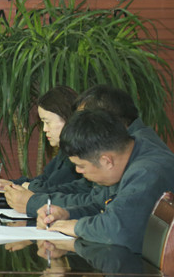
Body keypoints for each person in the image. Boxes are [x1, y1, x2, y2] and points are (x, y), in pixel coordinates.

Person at [36, 109, 174, 253]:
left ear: (107, 161)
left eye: (81, 166)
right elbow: (102, 208)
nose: (78, 171)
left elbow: (118, 230)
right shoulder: (129, 154)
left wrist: (76, 227)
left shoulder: (147, 173)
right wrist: (67, 214)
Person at [22, 84, 171, 216]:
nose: (78, 127)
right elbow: (89, 192)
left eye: (86, 121)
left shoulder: (142, 164)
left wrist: (36, 202)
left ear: (108, 122)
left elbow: (105, 211)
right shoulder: (126, 146)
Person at [0, 86, 79, 208]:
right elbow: (44, 179)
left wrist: (28, 187)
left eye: (47, 122)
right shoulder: (64, 152)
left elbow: (53, 187)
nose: (44, 129)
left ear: (68, 119)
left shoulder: (78, 155)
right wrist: (11, 184)